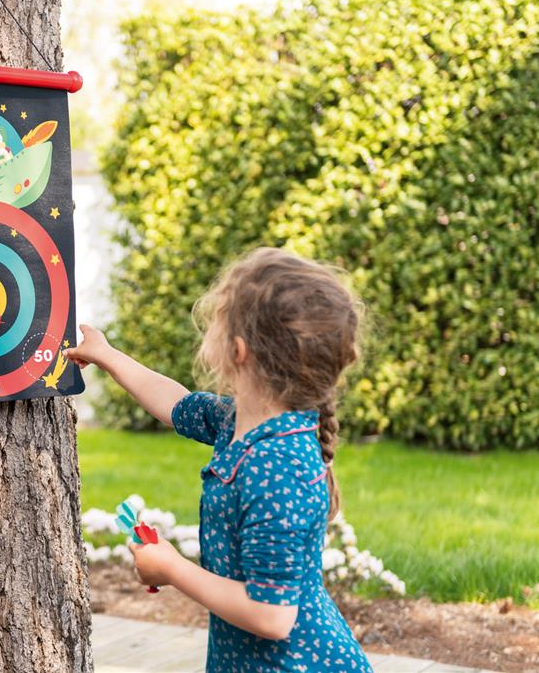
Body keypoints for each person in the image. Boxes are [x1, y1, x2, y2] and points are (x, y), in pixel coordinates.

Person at [64, 247, 371, 672]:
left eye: (217, 319)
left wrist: (172, 568)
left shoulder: (276, 467)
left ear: (239, 350)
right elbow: (176, 404)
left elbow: (273, 616)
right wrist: (109, 356)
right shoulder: (239, 420)